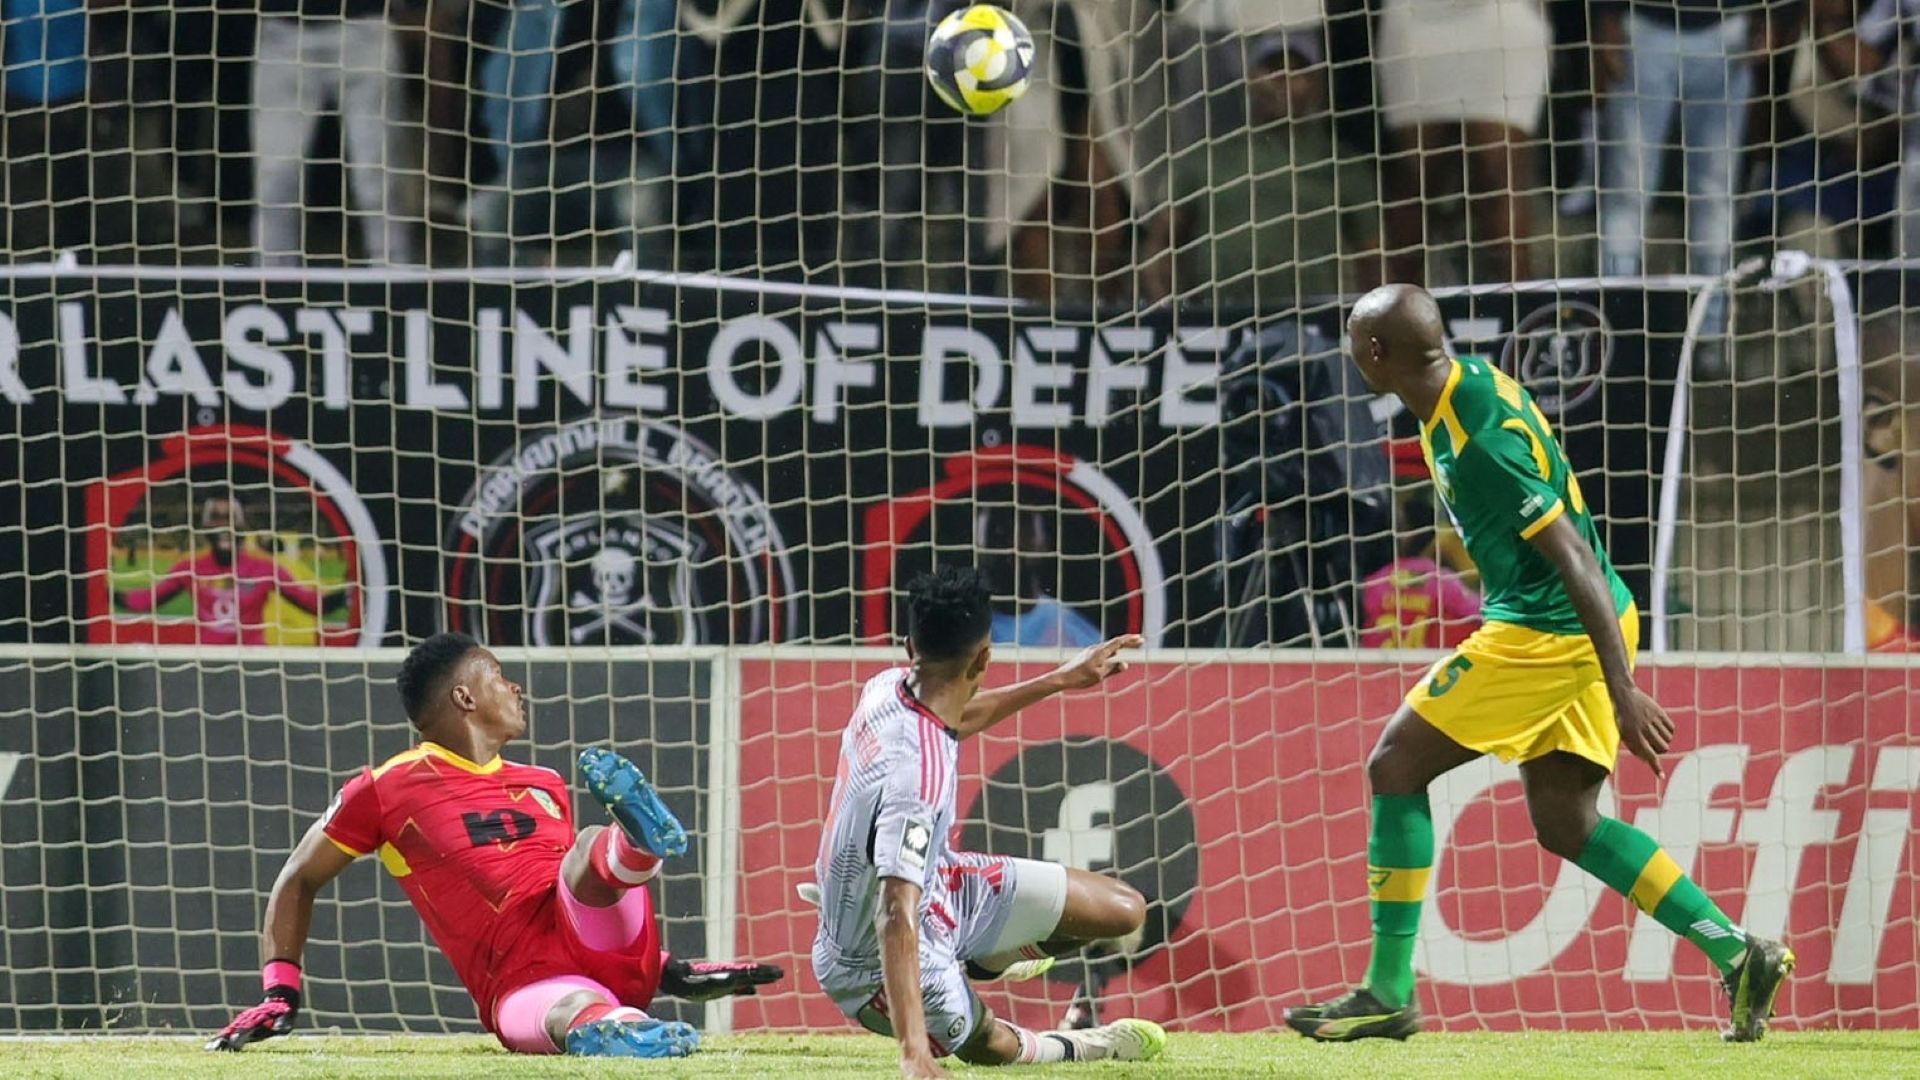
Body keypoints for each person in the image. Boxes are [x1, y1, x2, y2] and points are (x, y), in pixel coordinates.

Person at [1285, 285, 1793, 1042]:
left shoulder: (1479, 439)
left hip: (1549, 630)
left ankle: (1388, 992)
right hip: (1572, 618)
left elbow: (1573, 555)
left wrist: (1622, 688)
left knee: (1394, 765)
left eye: (1355, 340)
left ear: (1378, 353)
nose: (1351, 353)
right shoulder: (1465, 385)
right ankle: (1737, 950)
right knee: (1567, 821)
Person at [206, 632, 782, 1056]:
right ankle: (626, 1027)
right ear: (463, 697)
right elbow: (297, 879)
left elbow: (567, 910)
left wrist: (671, 970)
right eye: (499, 675)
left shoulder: (545, 783)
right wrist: (280, 992)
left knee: (583, 853)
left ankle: (633, 844)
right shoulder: (387, 787)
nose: (514, 685)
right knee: (573, 1016)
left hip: (588, 925)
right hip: (528, 980)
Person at [809, 567, 1164, 1077]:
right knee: (984, 1041)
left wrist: (1062, 678)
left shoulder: (886, 687)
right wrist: (914, 1051)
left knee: (1122, 910)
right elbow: (893, 910)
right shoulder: (919, 778)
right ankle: (1083, 1045)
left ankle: (984, 960)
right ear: (985, 657)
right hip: (869, 961)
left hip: (940, 890)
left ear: (911, 645)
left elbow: (956, 716)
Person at [1151, 25, 1381, 311]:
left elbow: (1373, 261)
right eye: (1272, 67)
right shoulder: (1208, 158)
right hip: (1219, 319)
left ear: (1317, 82)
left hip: (1314, 321)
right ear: (1251, 78)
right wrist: (1168, 315)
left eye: (1298, 69)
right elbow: (1161, 243)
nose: (1284, 79)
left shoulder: (1344, 165)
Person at [1595, 1, 1765, 341]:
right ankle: (1613, 330)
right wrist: (1605, 15)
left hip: (1727, 30)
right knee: (1628, 188)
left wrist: (1775, 17)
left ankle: (1714, 334)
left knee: (1716, 190)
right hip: (1644, 27)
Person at [1375, 0, 1550, 284]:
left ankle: (1518, 313)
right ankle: (1402, 317)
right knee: (1413, 179)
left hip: (1500, 16)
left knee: (1498, 176)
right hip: (1415, 18)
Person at [251, 0, 423, 265]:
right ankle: (272, 288)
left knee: (376, 176)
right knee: (276, 178)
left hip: (364, 26)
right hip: (281, 31)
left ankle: (394, 283)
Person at [114, 495, 353, 646]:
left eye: (230, 518)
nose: (224, 524)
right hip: (209, 663)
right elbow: (144, 602)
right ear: (206, 527)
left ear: (241, 526)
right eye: (217, 517)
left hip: (254, 662)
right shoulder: (190, 568)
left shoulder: (266, 568)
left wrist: (346, 595)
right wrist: (103, 592)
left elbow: (312, 604)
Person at [1360, 496, 1482, 650]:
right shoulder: (1442, 581)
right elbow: (1479, 612)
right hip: (1424, 663)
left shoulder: (1375, 582)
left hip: (1376, 665)